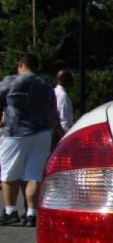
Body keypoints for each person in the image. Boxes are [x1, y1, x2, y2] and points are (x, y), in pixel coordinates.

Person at [0, 53, 60, 227]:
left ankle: (10, 211)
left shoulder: (11, 81)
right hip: (41, 132)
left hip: (15, 131)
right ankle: (32, 213)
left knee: (9, 174)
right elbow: (52, 110)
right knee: (34, 175)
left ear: (20, 64)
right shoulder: (46, 84)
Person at [54, 69, 74, 133]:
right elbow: (64, 121)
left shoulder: (54, 91)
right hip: (63, 134)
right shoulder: (63, 96)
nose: (72, 80)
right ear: (64, 79)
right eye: (70, 78)